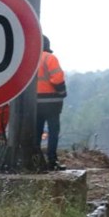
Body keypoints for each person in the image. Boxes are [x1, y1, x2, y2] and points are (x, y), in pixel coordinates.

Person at [36, 35, 67, 170]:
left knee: (37, 132)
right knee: (53, 132)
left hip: (35, 104)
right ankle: (52, 161)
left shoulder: (31, 59)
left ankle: (36, 161)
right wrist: (62, 92)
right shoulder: (49, 58)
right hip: (52, 104)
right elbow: (57, 79)